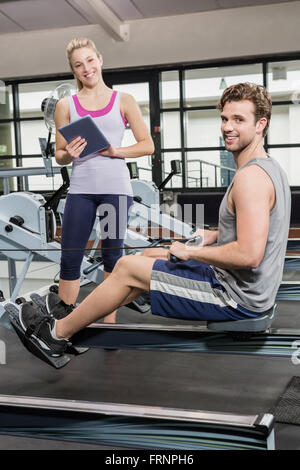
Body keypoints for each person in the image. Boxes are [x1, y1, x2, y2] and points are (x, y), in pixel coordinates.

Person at [16, 82, 291, 359]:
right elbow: (256, 228)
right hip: (242, 286)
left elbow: (249, 254)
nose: (228, 127)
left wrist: (191, 251)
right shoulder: (269, 168)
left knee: (126, 267)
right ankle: (85, 317)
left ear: (260, 124)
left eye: (239, 120)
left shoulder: (250, 180)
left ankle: (55, 334)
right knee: (147, 254)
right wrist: (215, 235)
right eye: (224, 118)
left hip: (234, 297)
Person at [50, 37, 154, 324]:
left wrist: (115, 151)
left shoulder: (124, 100)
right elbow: (59, 154)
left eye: (90, 61)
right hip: (81, 190)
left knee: (112, 258)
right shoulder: (65, 105)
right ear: (73, 70)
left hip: (115, 192)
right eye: (78, 65)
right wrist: (67, 154)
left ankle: (109, 325)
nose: (86, 68)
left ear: (100, 59)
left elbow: (147, 145)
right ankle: (64, 327)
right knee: (70, 258)